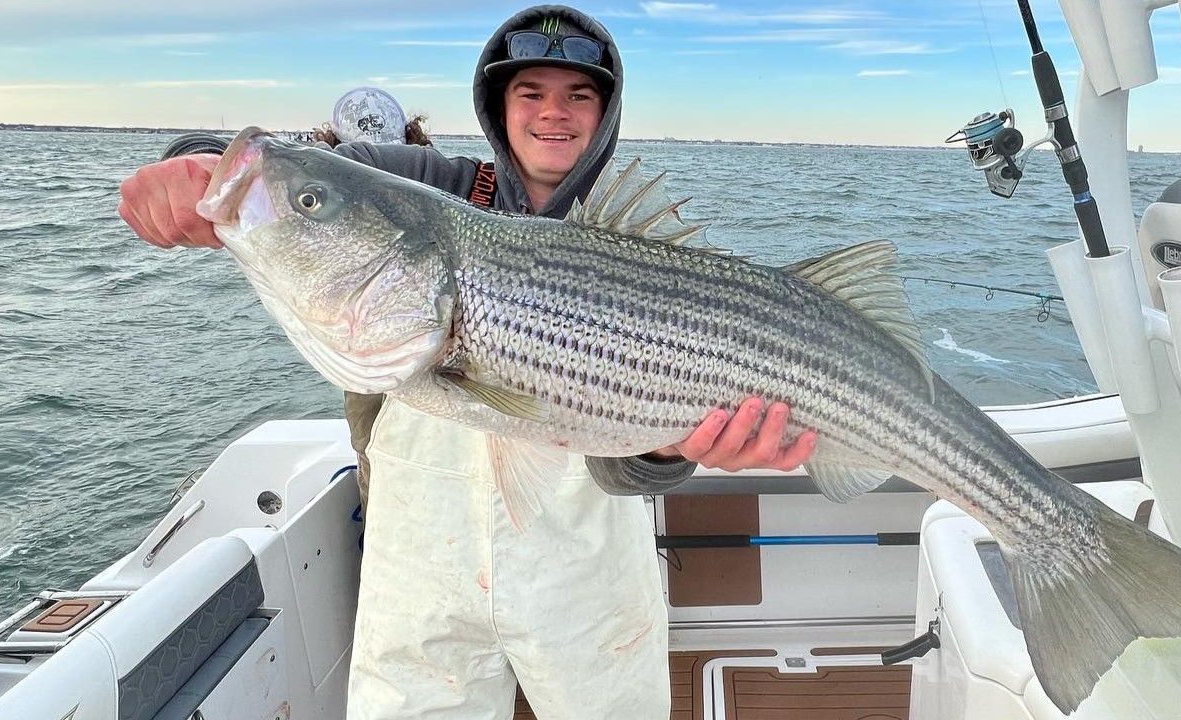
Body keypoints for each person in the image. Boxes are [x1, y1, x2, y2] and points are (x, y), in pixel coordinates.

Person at [116, 5, 816, 719]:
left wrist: (667, 447)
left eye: (579, 95)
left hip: (587, 574)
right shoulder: (436, 188)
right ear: (497, 106)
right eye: (530, 93)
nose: (554, 114)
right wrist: (199, 161)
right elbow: (320, 172)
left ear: (605, 115)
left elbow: (625, 469)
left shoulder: (649, 257)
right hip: (422, 567)